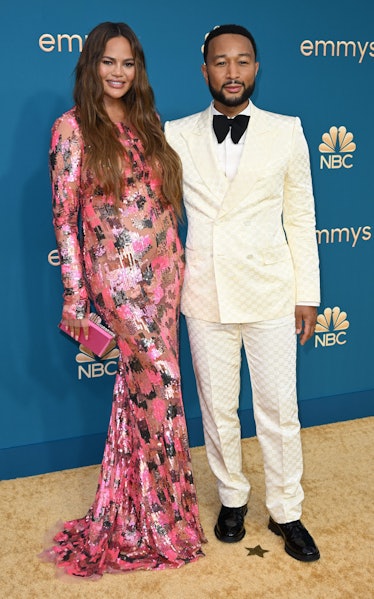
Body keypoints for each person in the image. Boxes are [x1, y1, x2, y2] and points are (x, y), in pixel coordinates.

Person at [43, 21, 205, 578]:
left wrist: (176, 257)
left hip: (164, 276)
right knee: (160, 383)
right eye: (108, 62)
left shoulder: (145, 122)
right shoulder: (71, 128)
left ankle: (139, 509)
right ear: (91, 65)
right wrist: (76, 295)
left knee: (142, 393)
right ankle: (159, 518)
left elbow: (160, 202)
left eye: (128, 63)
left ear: (138, 70)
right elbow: (65, 218)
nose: (118, 73)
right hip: (118, 281)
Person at [165, 24, 320, 562]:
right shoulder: (175, 133)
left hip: (271, 292)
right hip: (205, 293)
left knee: (279, 408)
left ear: (256, 68)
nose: (232, 72)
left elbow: (301, 217)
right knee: (219, 408)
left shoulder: (287, 130)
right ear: (204, 69)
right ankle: (232, 498)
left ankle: (286, 510)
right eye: (221, 62)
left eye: (243, 61)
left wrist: (308, 293)